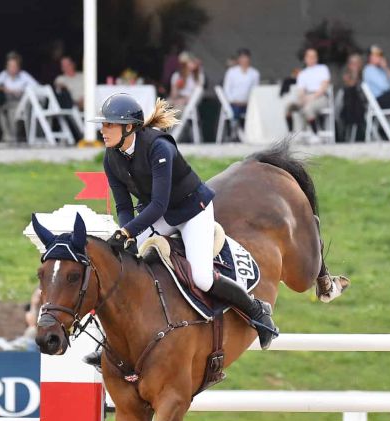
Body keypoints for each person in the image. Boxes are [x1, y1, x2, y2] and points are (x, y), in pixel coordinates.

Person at [80, 93, 278, 367]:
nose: (102, 130)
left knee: (203, 278)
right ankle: (111, 345)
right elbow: (124, 205)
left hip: (191, 211)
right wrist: (126, 231)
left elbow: (160, 204)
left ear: (128, 128)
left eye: (109, 125)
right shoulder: (110, 158)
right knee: (124, 268)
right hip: (157, 215)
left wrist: (128, 233)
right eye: (103, 125)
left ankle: (258, 311)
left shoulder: (159, 147)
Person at [285, 47, 330, 140]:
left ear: (317, 58)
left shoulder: (323, 69)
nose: (311, 58)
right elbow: (301, 90)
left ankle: (315, 134)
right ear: (305, 58)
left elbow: (324, 86)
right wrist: (302, 98)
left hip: (321, 97)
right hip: (306, 97)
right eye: (309, 56)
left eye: (313, 56)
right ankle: (291, 133)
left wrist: (312, 97)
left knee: (308, 108)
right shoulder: (302, 73)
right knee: (288, 106)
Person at [0, 51, 37, 142]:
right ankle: (7, 136)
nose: (12, 68)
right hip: (8, 101)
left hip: (22, 102)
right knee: (0, 111)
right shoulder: (4, 75)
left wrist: (23, 91)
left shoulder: (24, 75)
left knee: (12, 111)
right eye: (10, 66)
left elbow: (36, 86)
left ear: (18, 67)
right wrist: (5, 89)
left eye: (14, 66)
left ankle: (14, 137)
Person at [222, 48, 260, 123]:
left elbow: (255, 90)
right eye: (242, 57)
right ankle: (235, 130)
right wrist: (233, 101)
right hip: (234, 103)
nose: (244, 60)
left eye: (246, 57)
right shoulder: (231, 72)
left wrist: (249, 101)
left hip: (248, 103)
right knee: (235, 112)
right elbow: (227, 89)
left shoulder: (255, 73)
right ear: (238, 59)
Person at [339, 52, 366, 141]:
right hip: (350, 107)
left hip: (364, 105)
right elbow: (350, 85)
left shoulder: (366, 74)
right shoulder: (346, 76)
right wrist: (354, 74)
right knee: (348, 92)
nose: (354, 65)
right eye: (352, 63)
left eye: (356, 63)